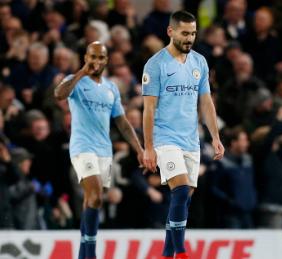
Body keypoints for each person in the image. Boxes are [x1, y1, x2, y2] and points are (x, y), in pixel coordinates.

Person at [141, 11, 224, 259]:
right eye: (185, 33)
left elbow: (206, 102)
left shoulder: (199, 62)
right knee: (179, 189)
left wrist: (215, 136)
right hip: (165, 138)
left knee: (184, 199)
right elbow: (148, 109)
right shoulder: (155, 65)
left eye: (193, 33)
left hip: (191, 140)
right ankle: (181, 251)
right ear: (171, 32)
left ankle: (167, 253)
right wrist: (148, 147)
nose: (190, 38)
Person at [54, 41, 144, 259]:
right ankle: (91, 253)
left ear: (106, 60)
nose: (95, 61)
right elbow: (59, 94)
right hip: (82, 147)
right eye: (92, 57)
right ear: (86, 57)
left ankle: (83, 254)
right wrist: (81, 73)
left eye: (100, 57)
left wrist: (139, 149)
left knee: (92, 200)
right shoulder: (74, 81)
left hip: (104, 149)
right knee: (95, 197)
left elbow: (122, 122)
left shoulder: (111, 88)